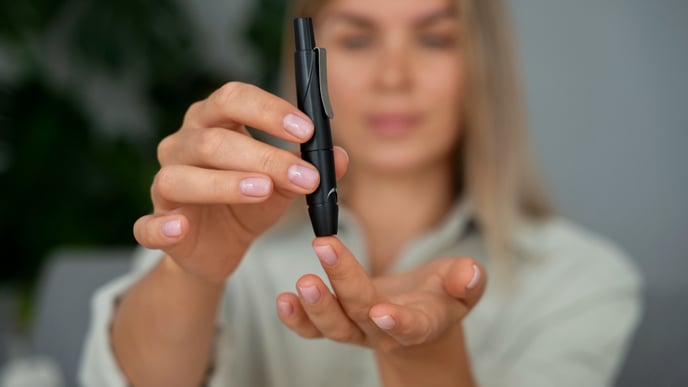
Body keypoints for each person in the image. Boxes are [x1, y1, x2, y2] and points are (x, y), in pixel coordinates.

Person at [79, 0, 642, 386]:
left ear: (480, 64)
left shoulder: (583, 278)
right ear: (307, 70)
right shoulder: (223, 219)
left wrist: (424, 358)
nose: (393, 77)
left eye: (434, 38)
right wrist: (192, 274)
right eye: (357, 38)